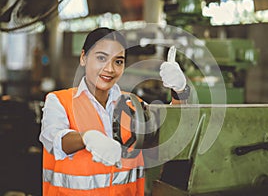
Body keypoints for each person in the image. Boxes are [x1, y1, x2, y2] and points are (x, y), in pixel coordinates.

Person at [39, 27, 190, 196]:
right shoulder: (59, 101)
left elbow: (170, 133)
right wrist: (86, 138)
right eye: (101, 58)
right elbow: (55, 140)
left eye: (118, 61)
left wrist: (180, 91)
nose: (110, 69)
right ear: (84, 58)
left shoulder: (133, 104)